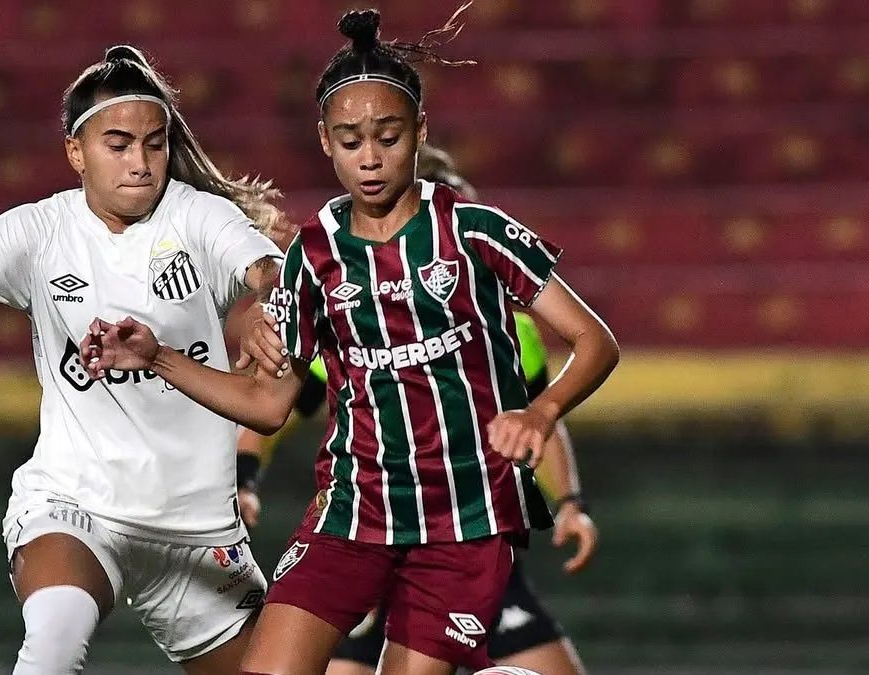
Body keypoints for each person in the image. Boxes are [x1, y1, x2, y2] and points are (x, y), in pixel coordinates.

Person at [80, 9, 620, 675]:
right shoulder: (314, 256)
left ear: (419, 131)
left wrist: (540, 415)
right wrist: (155, 355)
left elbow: (594, 340)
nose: (370, 157)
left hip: (463, 525)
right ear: (326, 141)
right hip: (351, 518)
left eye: (388, 137)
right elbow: (269, 403)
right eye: (351, 139)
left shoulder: (478, 233)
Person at [0, 45, 284, 675]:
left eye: (154, 145)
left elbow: (267, 270)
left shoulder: (201, 217)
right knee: (53, 644)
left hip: (198, 528)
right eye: (119, 144)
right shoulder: (39, 231)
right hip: (78, 506)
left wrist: (274, 305)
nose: (140, 163)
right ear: (76, 151)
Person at [234, 146, 596, 675]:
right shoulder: (349, 320)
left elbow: (542, 423)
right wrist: (244, 480)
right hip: (374, 534)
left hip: (469, 534)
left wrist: (569, 503)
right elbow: (270, 410)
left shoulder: (516, 332)